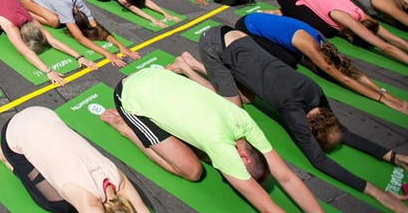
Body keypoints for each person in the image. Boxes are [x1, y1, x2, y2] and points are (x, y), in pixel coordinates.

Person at [166, 27, 408, 213]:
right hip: (214, 44)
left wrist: (393, 156)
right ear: (308, 126)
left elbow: (342, 131)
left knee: (249, 98)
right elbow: (318, 160)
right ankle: (186, 67)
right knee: (234, 109)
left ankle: (192, 63)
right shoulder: (293, 109)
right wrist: (377, 193)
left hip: (236, 39)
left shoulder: (314, 92)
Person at [101, 66, 324, 213]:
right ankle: (126, 127)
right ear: (244, 158)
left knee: (199, 150)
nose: (230, 178)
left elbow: (287, 178)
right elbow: (267, 207)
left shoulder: (243, 120)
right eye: (235, 174)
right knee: (192, 170)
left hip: (155, 76)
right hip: (129, 93)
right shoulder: (220, 146)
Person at [235, 12, 408, 115]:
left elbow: (349, 71)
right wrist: (383, 101)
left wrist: (385, 93)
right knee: (288, 63)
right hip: (246, 27)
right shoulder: (313, 48)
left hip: (263, 22)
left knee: (295, 58)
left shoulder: (323, 43)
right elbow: (345, 79)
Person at [0, 106, 150, 213]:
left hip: (41, 114)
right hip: (13, 136)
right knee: (57, 204)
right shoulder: (88, 201)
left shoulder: (118, 180)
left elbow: (142, 209)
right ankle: (10, 162)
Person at [273, 0, 408, 80]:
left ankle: (282, 12)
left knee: (328, 26)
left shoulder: (364, 18)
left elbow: (394, 41)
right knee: (327, 30)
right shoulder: (344, 18)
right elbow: (386, 47)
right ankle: (279, 12)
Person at [0, 0, 97, 86]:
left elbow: (53, 41)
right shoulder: (11, 26)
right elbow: (25, 51)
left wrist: (79, 56)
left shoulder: (31, 20)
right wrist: (48, 71)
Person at [18, 0, 138, 67]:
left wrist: (121, 46)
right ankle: (24, 11)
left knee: (59, 18)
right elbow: (80, 38)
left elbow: (96, 26)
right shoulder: (64, 7)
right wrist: (107, 53)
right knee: (55, 21)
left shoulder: (80, 4)